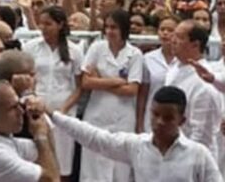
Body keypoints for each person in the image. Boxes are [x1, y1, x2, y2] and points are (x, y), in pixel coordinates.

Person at [41, 86, 220, 181]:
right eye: (155, 115)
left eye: (168, 118)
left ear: (182, 120)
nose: (159, 122)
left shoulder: (198, 154)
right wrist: (53, 115)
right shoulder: (137, 146)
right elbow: (95, 138)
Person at [78, 9, 143, 182]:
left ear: (124, 29)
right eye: (106, 27)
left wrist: (100, 80)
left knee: (120, 170)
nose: (109, 31)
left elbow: (132, 90)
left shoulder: (135, 54)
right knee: (92, 169)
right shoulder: (96, 48)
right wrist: (116, 81)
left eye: (114, 27)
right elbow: (86, 82)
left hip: (123, 118)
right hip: (96, 115)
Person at [22, 6, 83, 180]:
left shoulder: (74, 51)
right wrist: (33, 100)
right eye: (41, 24)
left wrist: (63, 110)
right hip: (36, 111)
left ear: (60, 25)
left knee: (63, 163)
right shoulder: (31, 47)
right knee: (37, 161)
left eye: (48, 24)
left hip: (63, 113)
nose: (43, 28)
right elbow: (26, 77)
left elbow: (80, 86)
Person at [163, 20, 223, 159]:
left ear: (195, 44)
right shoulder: (175, 67)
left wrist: (184, 160)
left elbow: (201, 135)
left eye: (179, 37)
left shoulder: (203, 83)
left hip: (194, 158)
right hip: (170, 148)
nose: (173, 40)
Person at [138, 15, 177, 132]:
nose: (165, 33)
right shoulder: (147, 58)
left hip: (176, 118)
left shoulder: (184, 60)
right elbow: (143, 94)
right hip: (152, 117)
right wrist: (139, 124)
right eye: (162, 29)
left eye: (170, 30)